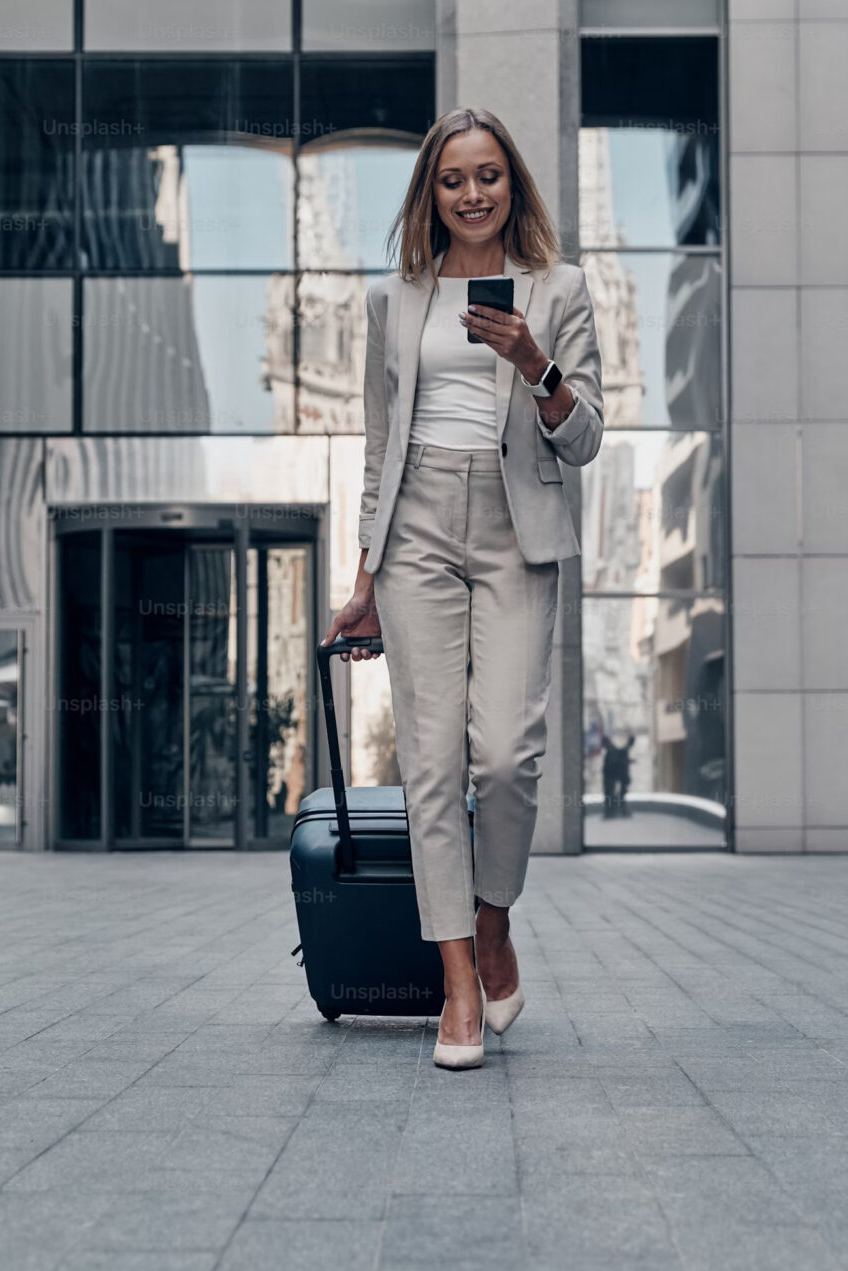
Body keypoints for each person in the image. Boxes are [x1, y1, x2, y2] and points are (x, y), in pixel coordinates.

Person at [322, 107, 605, 1070]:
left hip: (516, 522)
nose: (472, 193)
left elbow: (586, 437)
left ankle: (492, 923)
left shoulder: (559, 289)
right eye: (452, 180)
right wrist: (364, 574)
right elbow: (376, 449)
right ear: (430, 196)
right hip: (416, 529)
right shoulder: (391, 300)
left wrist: (534, 360)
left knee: (510, 754)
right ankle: (455, 985)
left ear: (511, 185)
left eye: (488, 176)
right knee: (433, 765)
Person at [602, 734, 633, 819]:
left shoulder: (613, 751)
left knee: (614, 796)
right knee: (614, 796)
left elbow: (614, 764)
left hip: (612, 778)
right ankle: (613, 812)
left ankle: (614, 812)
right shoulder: (614, 750)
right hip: (613, 778)